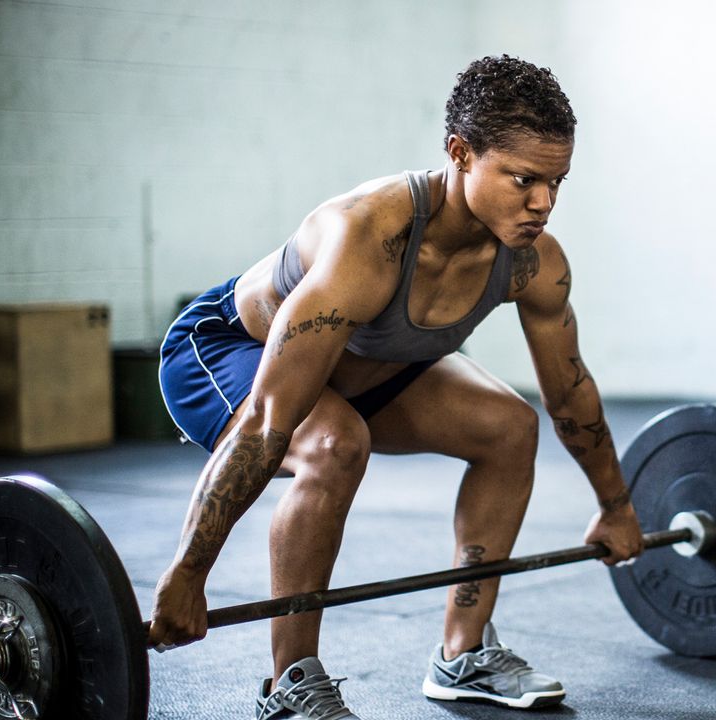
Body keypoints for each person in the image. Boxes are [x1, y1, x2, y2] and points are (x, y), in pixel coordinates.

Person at [148, 55, 645, 719]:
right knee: (332, 443)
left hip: (368, 369)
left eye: (557, 182)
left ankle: (462, 655)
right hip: (228, 352)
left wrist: (616, 503)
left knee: (509, 427)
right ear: (460, 153)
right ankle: (291, 684)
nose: (543, 204)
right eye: (523, 179)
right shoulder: (368, 239)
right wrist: (188, 575)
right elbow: (269, 419)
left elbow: (570, 394)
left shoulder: (533, 264)